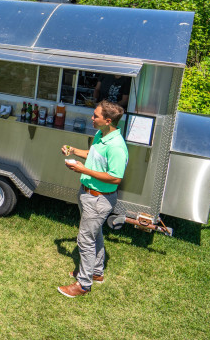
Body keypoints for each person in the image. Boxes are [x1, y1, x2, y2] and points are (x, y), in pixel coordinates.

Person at [57, 100, 128, 298]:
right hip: (88, 194)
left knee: (85, 239)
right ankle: (96, 272)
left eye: (95, 116)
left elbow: (115, 177)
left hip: (99, 199)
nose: (92, 118)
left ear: (107, 120)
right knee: (94, 235)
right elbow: (93, 154)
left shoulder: (116, 147)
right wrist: (73, 150)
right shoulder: (101, 134)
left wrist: (83, 169)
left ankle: (83, 284)